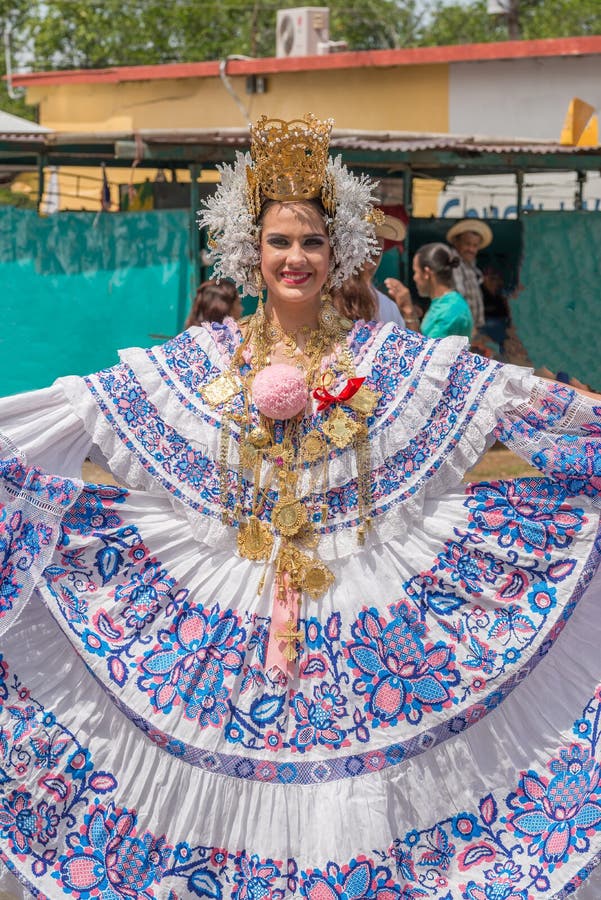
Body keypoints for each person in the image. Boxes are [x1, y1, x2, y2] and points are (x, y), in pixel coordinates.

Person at [0, 114, 600, 900]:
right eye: (279, 241)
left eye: (311, 242)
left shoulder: (387, 358)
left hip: (362, 621)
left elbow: (516, 401)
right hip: (226, 623)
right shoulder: (200, 361)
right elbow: (64, 411)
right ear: (250, 251)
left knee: (355, 815)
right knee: (234, 812)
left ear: (338, 251)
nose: (295, 258)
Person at [385, 242, 473, 339]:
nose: (414, 278)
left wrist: (408, 311)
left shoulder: (451, 311)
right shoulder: (442, 303)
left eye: (416, 272)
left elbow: (425, 352)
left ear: (427, 273)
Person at [332, 213, 406, 326]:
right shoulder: (315, 299)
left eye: (376, 253)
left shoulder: (388, 308)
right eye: (360, 253)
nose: (368, 264)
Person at [446, 218, 493, 335]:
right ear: (456, 242)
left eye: (475, 246)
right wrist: (469, 327)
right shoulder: (454, 262)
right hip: (460, 329)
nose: (471, 249)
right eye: (467, 244)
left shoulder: (470, 265)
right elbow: (459, 296)